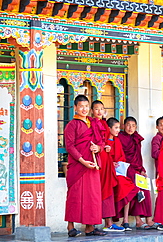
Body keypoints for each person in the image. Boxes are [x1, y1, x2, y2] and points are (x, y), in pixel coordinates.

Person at [64, 95, 107, 237]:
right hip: (79, 166)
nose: (84, 109)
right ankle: (70, 227)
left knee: (92, 196)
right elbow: (69, 146)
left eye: (86, 106)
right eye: (81, 106)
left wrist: (98, 149)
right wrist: (82, 161)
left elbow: (101, 141)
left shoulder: (93, 122)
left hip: (92, 164)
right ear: (75, 107)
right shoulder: (72, 125)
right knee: (74, 196)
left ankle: (90, 227)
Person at [118, 116, 157, 230]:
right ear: (123, 126)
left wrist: (142, 169)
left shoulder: (136, 138)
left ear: (136, 127)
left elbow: (138, 156)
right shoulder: (120, 137)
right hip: (126, 169)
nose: (130, 128)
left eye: (133, 126)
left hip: (136, 168)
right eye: (128, 125)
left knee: (145, 189)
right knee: (136, 190)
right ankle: (138, 220)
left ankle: (148, 219)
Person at [91, 101, 125, 232]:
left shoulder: (104, 124)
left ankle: (108, 223)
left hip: (106, 160)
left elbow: (105, 140)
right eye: (96, 109)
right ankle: (92, 224)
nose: (99, 111)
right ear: (92, 111)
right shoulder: (90, 124)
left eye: (101, 109)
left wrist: (107, 147)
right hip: (98, 161)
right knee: (96, 192)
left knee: (108, 191)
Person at [105, 117, 139, 231]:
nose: (118, 130)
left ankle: (125, 220)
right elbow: (103, 157)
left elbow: (122, 157)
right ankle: (115, 222)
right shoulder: (104, 140)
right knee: (123, 186)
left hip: (118, 171)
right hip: (108, 173)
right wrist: (111, 163)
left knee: (129, 187)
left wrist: (119, 163)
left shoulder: (117, 140)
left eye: (119, 128)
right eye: (116, 128)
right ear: (108, 128)